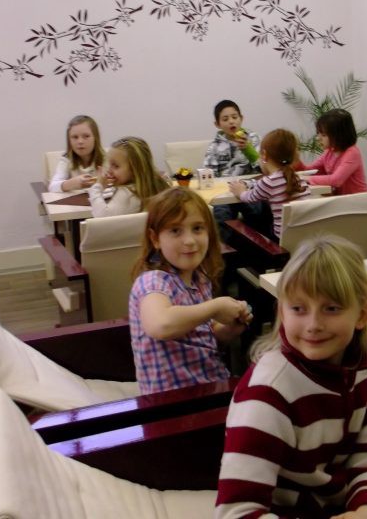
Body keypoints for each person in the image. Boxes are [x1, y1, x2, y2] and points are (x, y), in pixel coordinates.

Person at [215, 235, 367, 519]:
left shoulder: (361, 362)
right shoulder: (266, 394)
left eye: (331, 308)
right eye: (298, 309)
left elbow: (366, 451)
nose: (313, 325)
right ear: (282, 312)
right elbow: (236, 512)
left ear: (362, 315)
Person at [128, 187, 253, 394]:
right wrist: (215, 307)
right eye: (175, 231)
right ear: (155, 239)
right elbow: (160, 324)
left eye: (197, 229)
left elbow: (205, 334)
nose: (189, 240)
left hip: (210, 387)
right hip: (173, 401)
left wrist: (231, 328)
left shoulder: (200, 279)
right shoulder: (153, 281)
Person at [203, 99, 271, 237]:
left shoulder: (253, 139)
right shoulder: (214, 146)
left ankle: (261, 244)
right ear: (217, 124)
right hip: (224, 192)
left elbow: (266, 169)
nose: (231, 121)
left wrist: (248, 149)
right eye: (225, 119)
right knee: (221, 216)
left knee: (258, 212)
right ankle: (226, 248)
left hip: (250, 188)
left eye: (234, 117)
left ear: (241, 118)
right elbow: (208, 174)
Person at [229, 128, 311, 240]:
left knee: (249, 223)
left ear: (264, 155)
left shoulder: (269, 182)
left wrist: (240, 191)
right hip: (303, 239)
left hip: (279, 242)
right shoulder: (299, 179)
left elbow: (249, 198)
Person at [88, 136, 168, 217]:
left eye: (116, 166)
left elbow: (102, 216)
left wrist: (97, 187)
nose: (109, 170)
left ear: (134, 170)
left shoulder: (127, 193)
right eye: (110, 164)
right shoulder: (156, 185)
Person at [298, 108, 367, 195]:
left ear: (339, 136)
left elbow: (336, 180)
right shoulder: (329, 152)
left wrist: (304, 178)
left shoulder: (352, 153)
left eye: (323, 135)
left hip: (357, 201)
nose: (318, 138)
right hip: (341, 199)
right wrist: (295, 161)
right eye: (318, 133)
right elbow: (311, 170)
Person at [48, 115, 105, 192]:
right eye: (75, 137)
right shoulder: (67, 159)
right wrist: (72, 183)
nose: (80, 141)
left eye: (86, 136)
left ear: (95, 138)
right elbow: (52, 187)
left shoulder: (106, 158)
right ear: (69, 141)